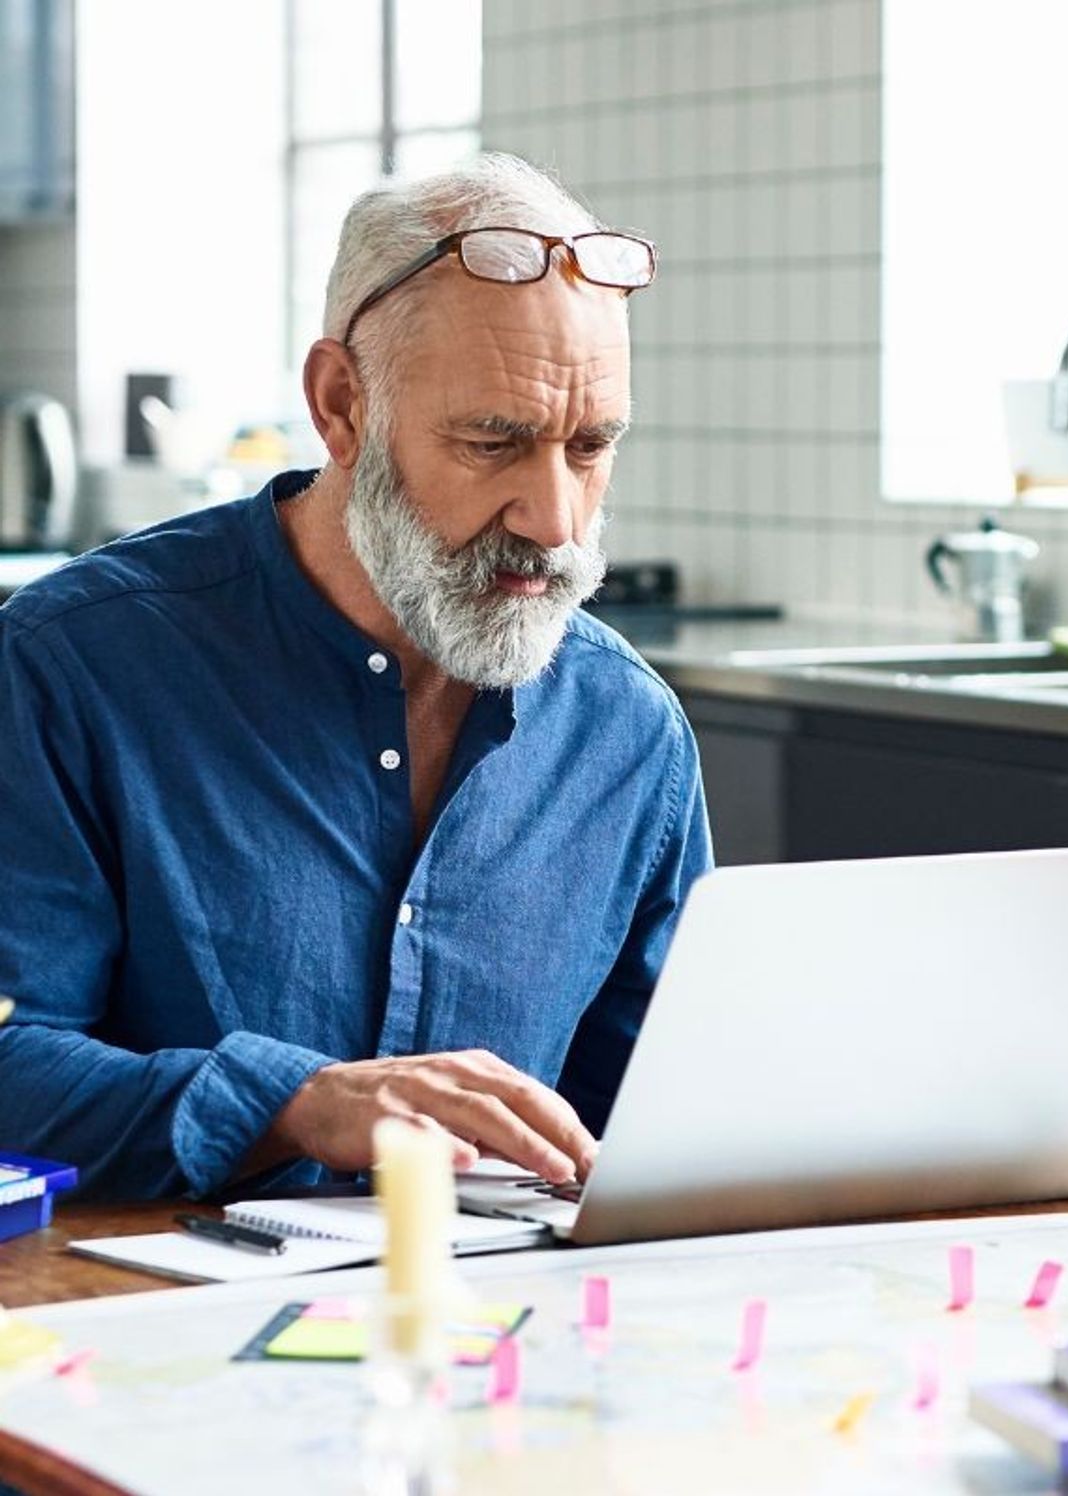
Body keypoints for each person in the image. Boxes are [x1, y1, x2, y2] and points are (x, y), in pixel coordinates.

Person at [0, 153, 711, 1200]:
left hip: (505, 1338)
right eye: (491, 441)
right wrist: (294, 1102)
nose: (554, 519)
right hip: (132, 1338)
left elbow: (666, 1112)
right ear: (341, 406)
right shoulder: (71, 666)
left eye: (591, 445)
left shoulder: (626, 730)